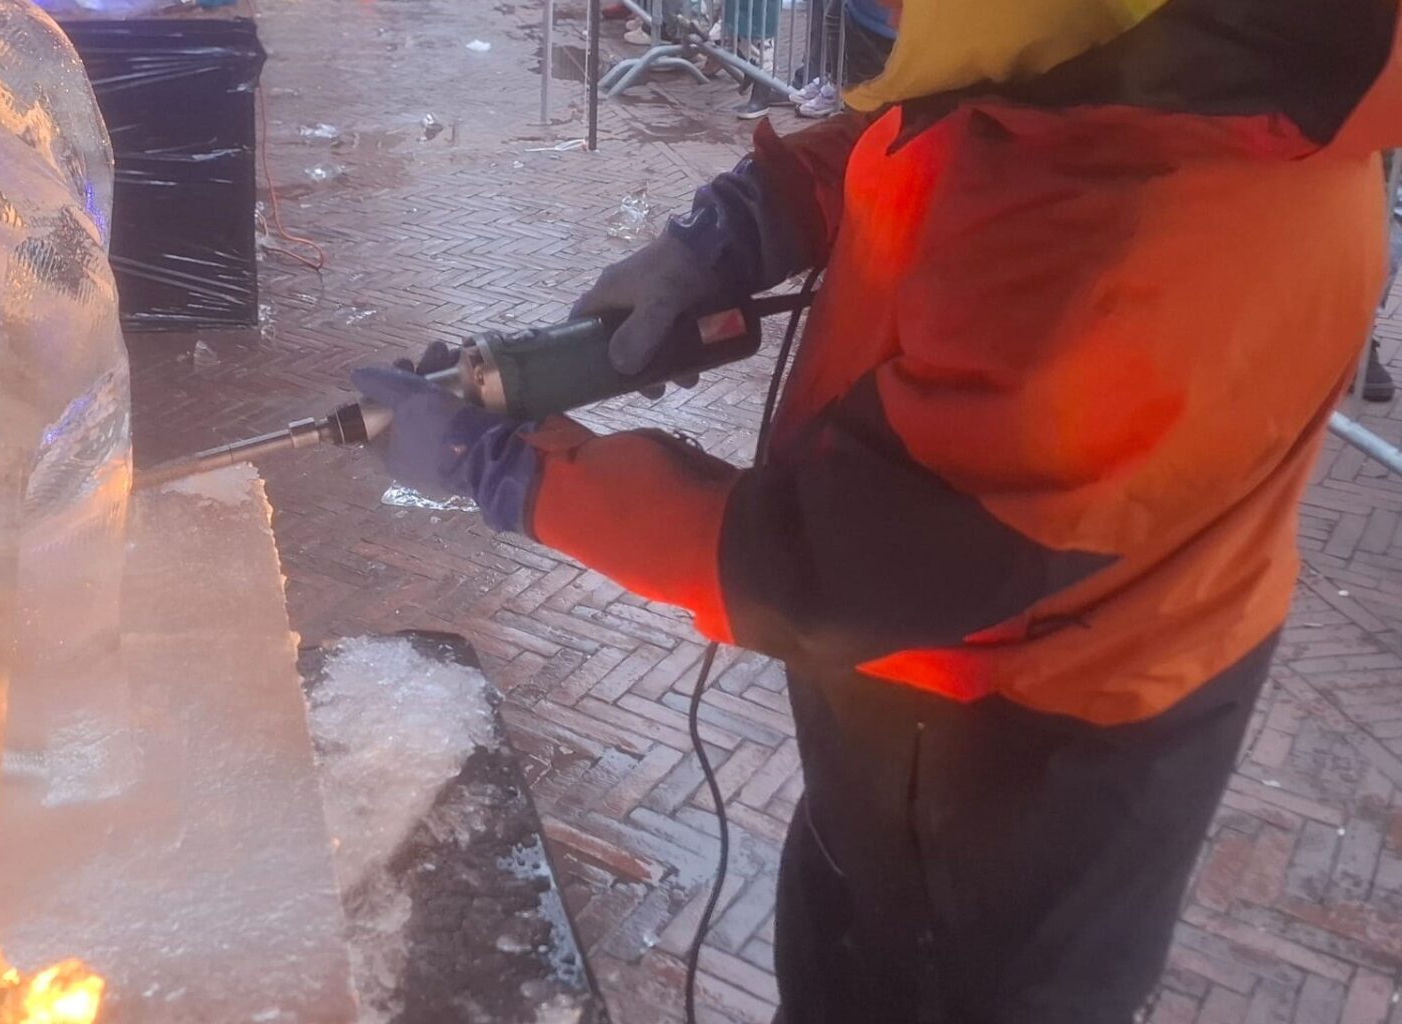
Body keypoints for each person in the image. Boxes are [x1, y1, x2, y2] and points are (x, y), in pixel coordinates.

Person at [352, 2, 1402, 1020]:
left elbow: (821, 569)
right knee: (845, 937)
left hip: (1025, 755)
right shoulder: (1176, 67)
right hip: (935, 707)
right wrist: (751, 217)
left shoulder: (1147, 248)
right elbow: (957, 130)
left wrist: (518, 468)